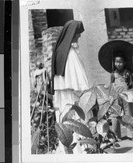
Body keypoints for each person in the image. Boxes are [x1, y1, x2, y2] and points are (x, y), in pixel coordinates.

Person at [51, 20, 90, 154]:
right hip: (72, 95)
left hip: (63, 96)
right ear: (72, 34)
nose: (79, 37)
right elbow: (79, 81)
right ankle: (80, 151)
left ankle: (68, 149)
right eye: (78, 34)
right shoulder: (71, 53)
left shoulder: (59, 51)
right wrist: (86, 92)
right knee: (76, 122)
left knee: (64, 123)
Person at [110, 53, 133, 141]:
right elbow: (111, 86)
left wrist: (132, 95)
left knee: (128, 114)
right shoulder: (113, 74)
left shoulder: (127, 73)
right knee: (115, 115)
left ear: (124, 62)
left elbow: (131, 85)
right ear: (114, 63)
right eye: (117, 62)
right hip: (116, 97)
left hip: (126, 96)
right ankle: (116, 135)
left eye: (120, 62)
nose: (118, 64)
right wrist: (111, 97)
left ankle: (132, 134)